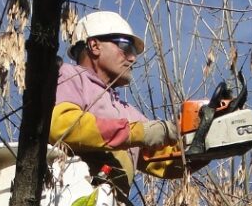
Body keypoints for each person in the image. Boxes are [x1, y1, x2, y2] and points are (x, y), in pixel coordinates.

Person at [50, 11, 183, 190]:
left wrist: (210, 139)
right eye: (126, 47)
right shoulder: (70, 76)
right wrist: (137, 133)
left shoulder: (126, 110)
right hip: (70, 194)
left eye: (134, 52)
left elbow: (167, 162)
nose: (133, 58)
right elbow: (61, 126)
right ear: (94, 45)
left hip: (108, 205)